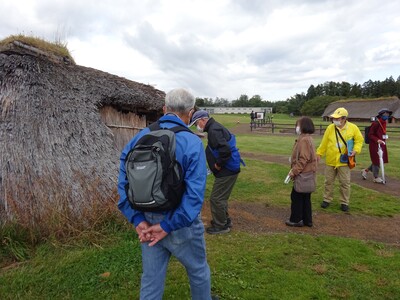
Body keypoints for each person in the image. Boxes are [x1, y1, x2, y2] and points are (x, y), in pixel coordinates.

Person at [117, 88, 214, 300]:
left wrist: (137, 219)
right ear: (190, 112)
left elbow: (123, 182)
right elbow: (194, 196)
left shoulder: (139, 138)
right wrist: (168, 226)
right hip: (182, 224)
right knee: (198, 271)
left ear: (164, 109)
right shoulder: (192, 143)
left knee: (151, 279)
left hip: (147, 221)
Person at [190, 110, 243, 234]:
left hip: (227, 169)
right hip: (230, 168)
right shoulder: (214, 127)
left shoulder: (214, 130)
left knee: (216, 198)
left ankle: (221, 226)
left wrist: (218, 165)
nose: (197, 126)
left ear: (203, 120)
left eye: (197, 123)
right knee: (221, 197)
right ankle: (224, 220)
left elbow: (225, 151)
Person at [316, 107, 364, 212]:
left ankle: (344, 202)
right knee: (328, 181)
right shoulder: (330, 128)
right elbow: (324, 142)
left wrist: (356, 150)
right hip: (331, 160)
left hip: (344, 161)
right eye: (334, 118)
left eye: (337, 118)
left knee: (345, 182)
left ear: (344, 118)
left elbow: (359, 140)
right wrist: (319, 153)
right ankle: (327, 199)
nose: (335, 120)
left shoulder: (353, 128)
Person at [286, 117, 317, 227]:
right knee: (305, 197)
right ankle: (307, 220)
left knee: (297, 196)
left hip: (303, 174)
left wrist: (293, 171)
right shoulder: (308, 138)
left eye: (298, 125)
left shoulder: (304, 140)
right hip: (308, 173)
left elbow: (303, 159)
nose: (296, 127)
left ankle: (296, 219)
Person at [361, 108, 392, 183]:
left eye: (388, 114)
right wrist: (377, 140)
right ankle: (376, 177)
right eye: (385, 114)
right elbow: (370, 135)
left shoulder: (384, 122)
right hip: (374, 144)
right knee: (376, 160)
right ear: (381, 115)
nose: (387, 115)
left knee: (379, 160)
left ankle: (365, 171)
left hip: (381, 144)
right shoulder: (376, 123)